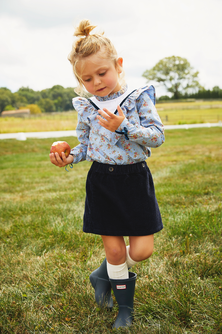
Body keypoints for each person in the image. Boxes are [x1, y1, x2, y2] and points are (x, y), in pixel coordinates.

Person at [49, 19, 165, 329]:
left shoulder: (138, 97)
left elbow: (157, 136)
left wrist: (124, 127)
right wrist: (68, 157)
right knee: (114, 250)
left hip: (135, 179)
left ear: (118, 64)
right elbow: (86, 146)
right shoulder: (86, 106)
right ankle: (124, 310)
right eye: (87, 78)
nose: (97, 82)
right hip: (102, 181)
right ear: (80, 80)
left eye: (102, 73)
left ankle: (101, 274)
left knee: (141, 250)